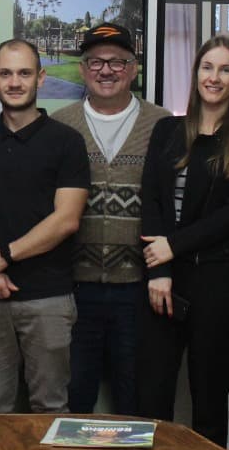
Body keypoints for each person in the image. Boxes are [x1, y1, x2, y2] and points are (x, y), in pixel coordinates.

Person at [137, 36, 229, 447]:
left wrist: (174, 247)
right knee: (151, 398)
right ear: (195, 75)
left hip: (217, 281)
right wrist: (159, 270)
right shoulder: (167, 130)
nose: (214, 77)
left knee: (209, 401)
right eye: (207, 67)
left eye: (225, 69)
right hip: (163, 283)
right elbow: (152, 200)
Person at [0, 39, 90, 414]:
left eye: (24, 73)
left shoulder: (67, 143)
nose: (14, 82)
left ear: (41, 78)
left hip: (46, 299)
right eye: (5, 73)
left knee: (50, 410)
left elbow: (66, 219)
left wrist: (2, 258)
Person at [50, 23, 169, 415]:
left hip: (138, 291)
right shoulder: (60, 126)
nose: (106, 70)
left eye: (117, 62)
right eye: (96, 62)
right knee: (74, 396)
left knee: (134, 399)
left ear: (133, 69)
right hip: (73, 290)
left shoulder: (163, 125)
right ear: (83, 70)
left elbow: (173, 206)